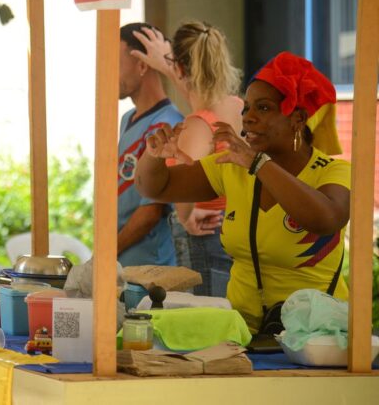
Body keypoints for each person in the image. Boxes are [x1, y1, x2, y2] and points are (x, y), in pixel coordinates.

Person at [135, 51, 349, 332]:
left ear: (297, 118)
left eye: (263, 108)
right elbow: (156, 186)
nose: (247, 118)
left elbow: (326, 219)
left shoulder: (332, 171)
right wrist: (154, 156)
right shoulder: (233, 167)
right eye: (246, 108)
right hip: (245, 335)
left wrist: (259, 164)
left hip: (315, 338)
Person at [131, 21, 244, 297]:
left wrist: (186, 215)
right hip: (234, 230)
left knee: (206, 325)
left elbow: (184, 179)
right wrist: (167, 64)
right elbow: (197, 92)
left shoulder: (197, 126)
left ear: (180, 68)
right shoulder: (236, 106)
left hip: (204, 239)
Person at [116, 23, 184, 267]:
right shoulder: (128, 118)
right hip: (124, 265)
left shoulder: (167, 124)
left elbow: (150, 212)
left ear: (143, 65)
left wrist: (108, 251)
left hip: (150, 271)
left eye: (115, 63)